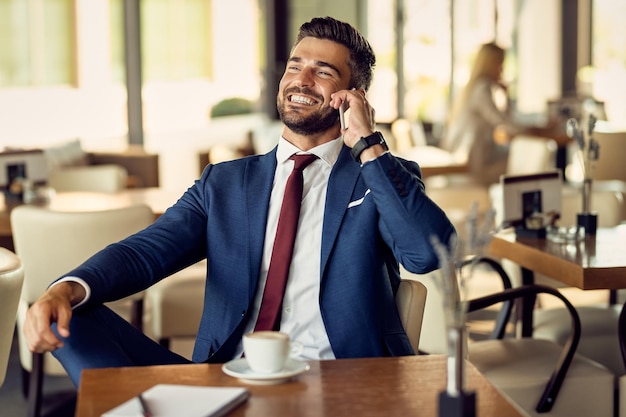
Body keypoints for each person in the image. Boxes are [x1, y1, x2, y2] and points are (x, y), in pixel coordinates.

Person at [23, 16, 455, 386]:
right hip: (227, 377)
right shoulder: (225, 183)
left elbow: (427, 253)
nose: (302, 80)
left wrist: (368, 145)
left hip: (340, 380)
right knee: (70, 313)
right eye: (295, 66)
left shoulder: (378, 174)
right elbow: (143, 254)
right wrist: (63, 289)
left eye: (323, 72)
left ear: (353, 95)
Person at [441, 42, 553, 185]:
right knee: (525, 165)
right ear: (490, 64)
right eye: (500, 65)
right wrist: (535, 129)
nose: (502, 70)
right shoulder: (481, 90)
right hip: (473, 166)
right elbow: (504, 123)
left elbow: (505, 121)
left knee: (519, 162)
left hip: (469, 160)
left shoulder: (474, 88)